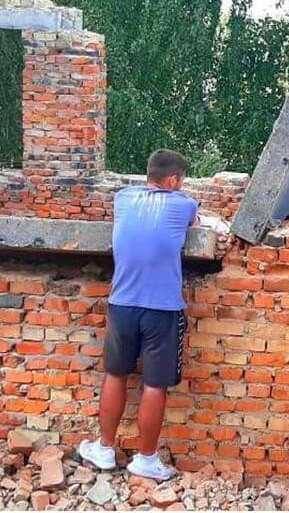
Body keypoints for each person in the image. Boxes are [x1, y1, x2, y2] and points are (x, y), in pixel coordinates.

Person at [78, 149, 199, 480]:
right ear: (174, 180)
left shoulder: (123, 198)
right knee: (155, 385)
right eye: (181, 180)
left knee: (115, 374)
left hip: (122, 303)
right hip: (161, 309)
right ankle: (146, 459)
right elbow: (197, 226)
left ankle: (104, 449)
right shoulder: (183, 204)